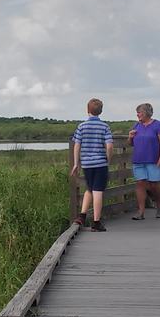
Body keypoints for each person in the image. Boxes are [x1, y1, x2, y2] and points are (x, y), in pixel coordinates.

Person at [70, 97, 114, 231]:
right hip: (100, 163)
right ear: (101, 111)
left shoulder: (81, 126)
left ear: (87, 110)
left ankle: (82, 216)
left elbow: (76, 145)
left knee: (90, 188)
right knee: (98, 191)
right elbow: (110, 146)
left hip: (87, 164)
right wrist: (108, 159)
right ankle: (96, 222)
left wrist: (76, 163)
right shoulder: (104, 126)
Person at [128, 102, 160, 220]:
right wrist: (130, 137)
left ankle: (159, 206)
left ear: (146, 113)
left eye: (139, 113)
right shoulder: (136, 126)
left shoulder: (157, 125)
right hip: (138, 160)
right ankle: (141, 212)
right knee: (140, 184)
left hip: (153, 160)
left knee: (154, 185)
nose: (138, 115)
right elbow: (130, 144)